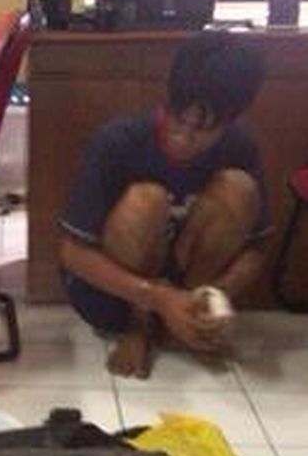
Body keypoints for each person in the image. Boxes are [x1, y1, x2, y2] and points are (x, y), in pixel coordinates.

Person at [58, 31, 268, 378]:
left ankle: (190, 320)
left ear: (230, 121)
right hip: (114, 298)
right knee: (147, 200)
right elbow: (72, 253)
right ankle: (138, 327)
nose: (183, 136)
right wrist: (156, 298)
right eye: (177, 118)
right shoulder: (117, 142)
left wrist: (216, 297)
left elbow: (256, 249)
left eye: (203, 129)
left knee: (240, 189)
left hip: (185, 283)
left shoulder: (240, 147)